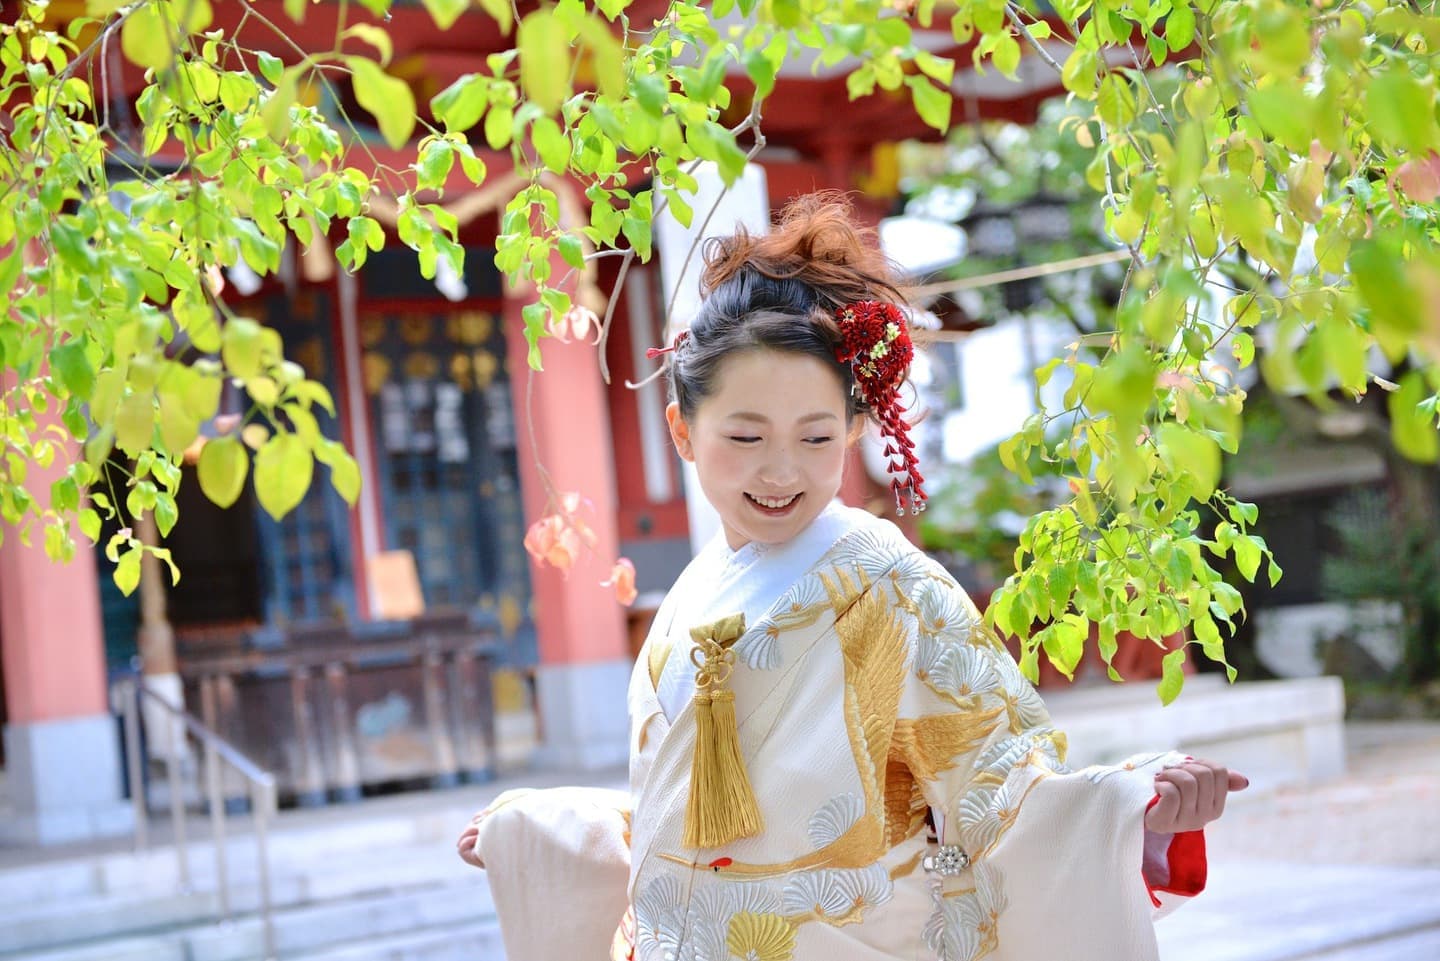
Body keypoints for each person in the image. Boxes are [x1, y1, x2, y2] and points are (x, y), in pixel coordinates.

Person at [458, 194, 1248, 961]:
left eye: (815, 437)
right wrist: (547, 833)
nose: (780, 470)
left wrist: (1130, 806)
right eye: (745, 436)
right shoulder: (693, 594)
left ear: (855, 427)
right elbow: (697, 825)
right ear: (683, 430)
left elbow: (1003, 799)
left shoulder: (894, 588)